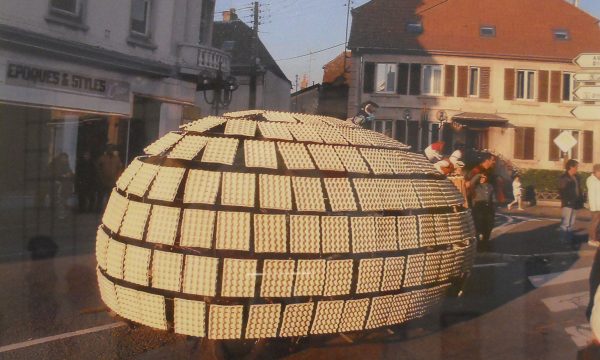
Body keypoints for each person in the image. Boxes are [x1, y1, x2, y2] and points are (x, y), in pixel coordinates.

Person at [558, 159, 584, 247]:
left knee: (571, 223)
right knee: (566, 223)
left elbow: (579, 189)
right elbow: (562, 191)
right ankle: (562, 239)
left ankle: (569, 239)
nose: (577, 168)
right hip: (568, 203)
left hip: (575, 203)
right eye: (576, 166)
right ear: (571, 167)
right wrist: (567, 201)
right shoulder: (564, 177)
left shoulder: (576, 177)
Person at [469, 173, 495, 251]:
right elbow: (471, 182)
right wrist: (478, 175)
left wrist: (493, 206)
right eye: (480, 178)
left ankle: (485, 242)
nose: (482, 179)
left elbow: (493, 197)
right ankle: (479, 245)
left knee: (489, 227)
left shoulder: (490, 186)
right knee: (479, 228)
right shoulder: (475, 187)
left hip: (488, 209)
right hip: (478, 210)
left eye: (484, 177)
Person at [96, 146, 123, 211]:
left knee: (110, 196)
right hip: (103, 180)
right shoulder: (102, 158)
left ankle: (109, 209)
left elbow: (119, 169)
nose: (110, 151)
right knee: (101, 196)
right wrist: (101, 177)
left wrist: (117, 178)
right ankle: (98, 209)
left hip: (112, 181)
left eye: (111, 149)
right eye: (108, 149)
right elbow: (98, 168)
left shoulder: (117, 159)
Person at [587, 164, 600, 247]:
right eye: (599, 172)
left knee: (598, 224)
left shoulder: (597, 180)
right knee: (594, 224)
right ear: (595, 172)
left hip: (598, 206)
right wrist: (594, 207)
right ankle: (592, 239)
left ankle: (596, 238)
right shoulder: (591, 180)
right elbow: (592, 195)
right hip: (595, 207)